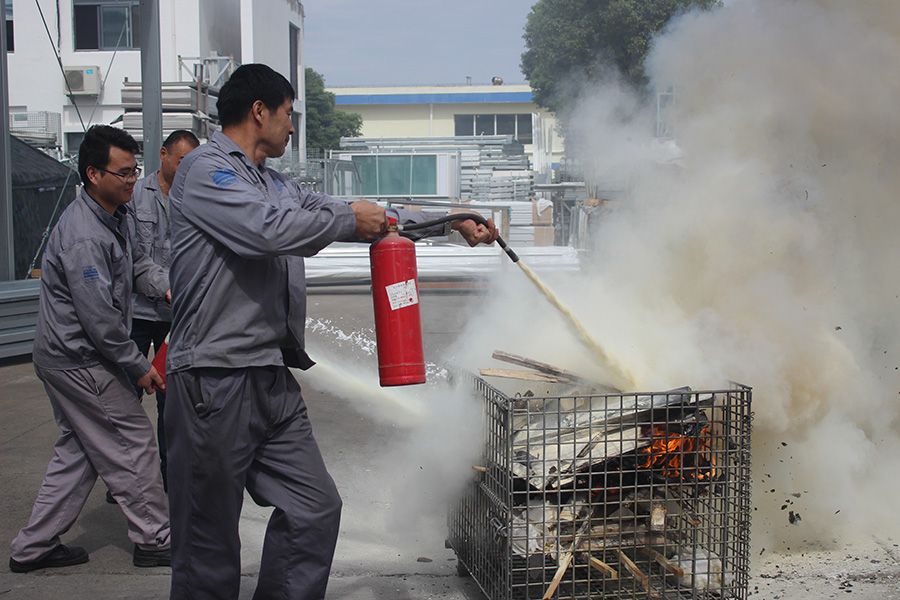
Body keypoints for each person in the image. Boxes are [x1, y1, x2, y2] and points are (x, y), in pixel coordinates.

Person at [165, 63, 498, 600]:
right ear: (260, 112)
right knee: (208, 546)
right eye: (289, 114)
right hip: (213, 380)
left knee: (314, 507)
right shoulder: (206, 172)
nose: (293, 127)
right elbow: (265, 231)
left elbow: (355, 212)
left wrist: (450, 220)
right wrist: (348, 222)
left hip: (269, 381)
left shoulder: (272, 182)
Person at [9, 125, 173, 573]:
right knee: (133, 442)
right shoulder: (84, 235)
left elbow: (139, 264)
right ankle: (155, 539)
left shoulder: (114, 216)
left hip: (72, 356)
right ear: (93, 174)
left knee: (81, 451)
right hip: (79, 359)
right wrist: (137, 365)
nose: (131, 181)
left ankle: (34, 546)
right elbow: (98, 318)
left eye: (134, 171)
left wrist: (166, 288)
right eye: (122, 173)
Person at [128, 129, 200, 492]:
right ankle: (123, 475)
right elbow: (133, 258)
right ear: (164, 155)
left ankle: (169, 473)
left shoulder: (197, 198)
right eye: (181, 159)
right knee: (126, 395)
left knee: (171, 399)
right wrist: (164, 286)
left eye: (193, 161)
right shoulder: (135, 194)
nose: (187, 167)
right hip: (138, 313)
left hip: (175, 318)